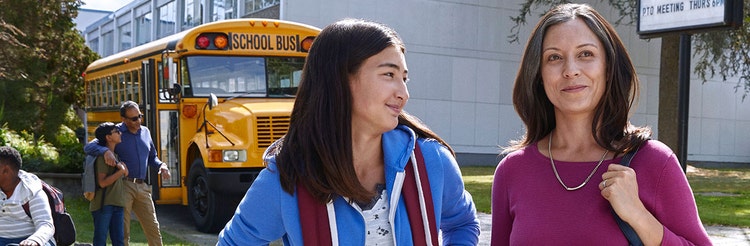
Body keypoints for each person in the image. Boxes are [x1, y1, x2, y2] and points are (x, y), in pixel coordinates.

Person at [218, 18, 480, 245]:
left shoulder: (431, 161)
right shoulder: (287, 178)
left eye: (404, 78)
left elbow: (462, 224)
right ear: (340, 80)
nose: (403, 93)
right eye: (389, 74)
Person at [490, 3, 711, 245]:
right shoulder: (512, 171)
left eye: (586, 54)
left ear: (608, 67)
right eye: (554, 57)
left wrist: (639, 216)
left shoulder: (654, 162)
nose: (571, 70)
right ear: (539, 75)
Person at [84, 100, 171, 246]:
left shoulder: (145, 132)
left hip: (142, 186)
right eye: (134, 118)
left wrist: (161, 165)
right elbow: (89, 147)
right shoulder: (115, 132)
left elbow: (152, 157)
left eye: (140, 116)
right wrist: (105, 151)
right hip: (123, 186)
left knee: (153, 228)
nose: (138, 121)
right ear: (123, 119)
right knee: (123, 231)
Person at [0, 146, 54, 246]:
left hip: (30, 240)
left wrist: (34, 240)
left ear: (6, 170)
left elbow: (46, 225)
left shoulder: (32, 191)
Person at [90, 122, 129, 246]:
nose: (120, 133)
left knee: (119, 241)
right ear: (108, 137)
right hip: (103, 204)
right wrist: (121, 171)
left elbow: (125, 173)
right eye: (116, 131)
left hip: (117, 203)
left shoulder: (115, 156)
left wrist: (122, 169)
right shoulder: (103, 158)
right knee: (100, 241)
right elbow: (102, 182)